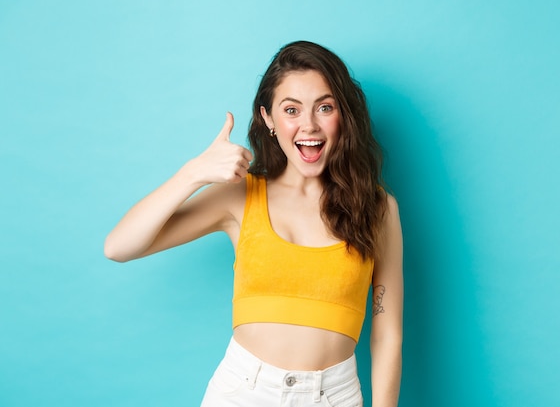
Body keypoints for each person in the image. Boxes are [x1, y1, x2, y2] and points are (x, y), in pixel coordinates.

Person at [104, 40, 403, 407]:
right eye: (291, 110)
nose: (308, 125)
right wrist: (193, 174)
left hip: (335, 396)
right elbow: (118, 247)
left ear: (344, 116)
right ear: (268, 119)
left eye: (325, 107)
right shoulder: (240, 196)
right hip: (244, 392)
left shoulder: (377, 208)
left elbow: (387, 335)